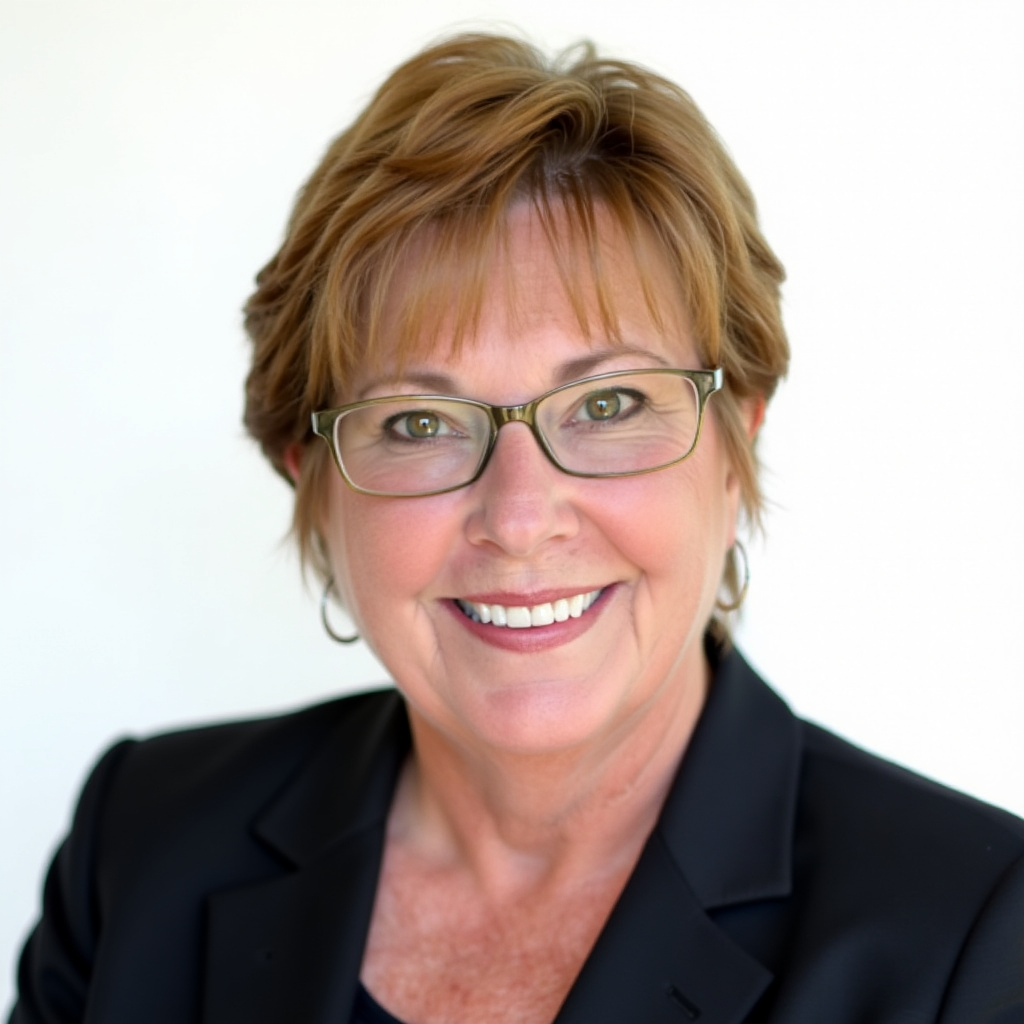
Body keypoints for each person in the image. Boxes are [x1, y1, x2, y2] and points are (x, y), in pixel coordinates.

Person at [10, 31, 1023, 1024]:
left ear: (733, 443)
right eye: (419, 422)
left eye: (610, 405)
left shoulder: (971, 938)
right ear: (310, 477)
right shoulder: (141, 841)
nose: (520, 516)